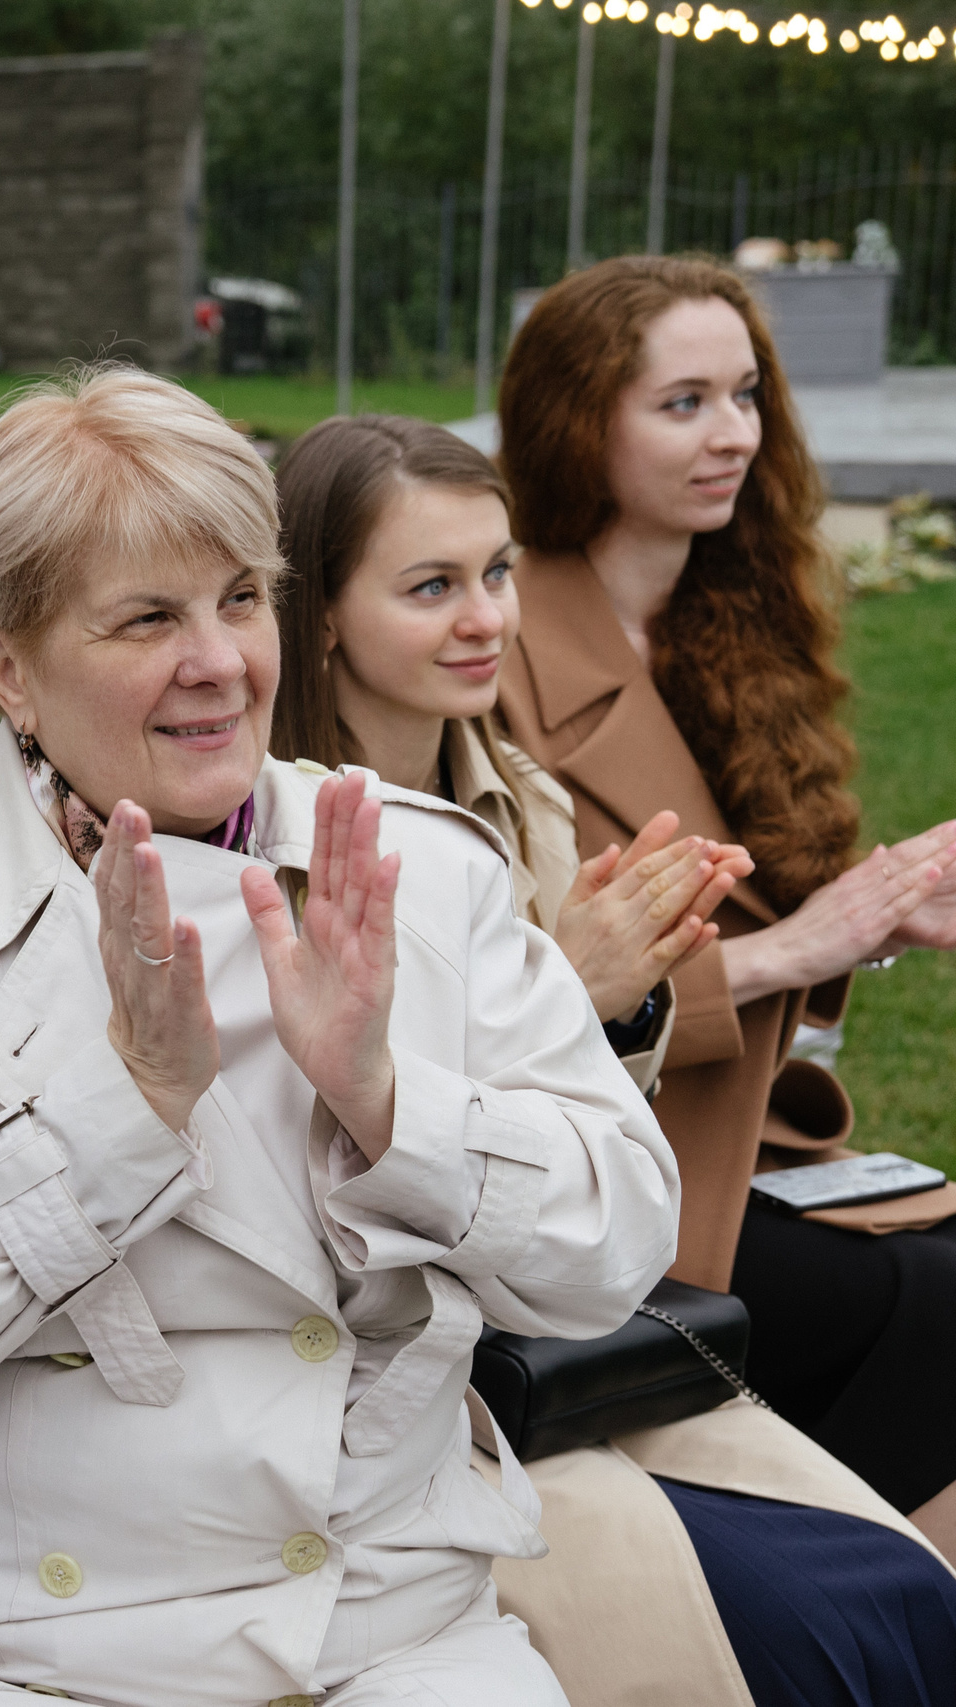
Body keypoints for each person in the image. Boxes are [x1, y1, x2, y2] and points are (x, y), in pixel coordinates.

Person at [0, 364, 678, 1705]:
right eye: (145, 618)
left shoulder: (418, 868)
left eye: (242, 598)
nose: (222, 662)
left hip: (375, 1623)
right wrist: (126, 1101)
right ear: (5, 661)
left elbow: (619, 1249)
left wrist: (386, 1100)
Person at [273, 412, 956, 1707]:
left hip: (571, 1287)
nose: (485, 617)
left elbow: (590, 1122)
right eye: (431, 586)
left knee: (897, 1550)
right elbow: (329, 1155)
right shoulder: (282, 836)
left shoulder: (513, 787)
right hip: (425, 1349)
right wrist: (573, 989)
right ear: (319, 615)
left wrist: (611, 1006)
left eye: (496, 572)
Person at [495, 256, 956, 1559]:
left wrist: (879, 913)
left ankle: (879, 1590)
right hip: (599, 1168)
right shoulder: (496, 638)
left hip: (739, 1133)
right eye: (683, 400)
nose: (735, 433)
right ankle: (869, 1592)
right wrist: (809, 940)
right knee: (928, 1293)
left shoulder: (733, 621)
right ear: (581, 418)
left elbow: (766, 938)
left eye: (746, 393)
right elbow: (530, 983)